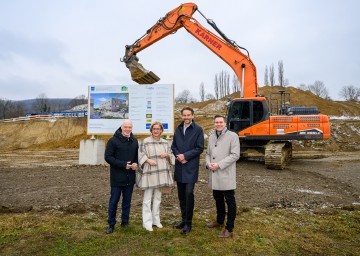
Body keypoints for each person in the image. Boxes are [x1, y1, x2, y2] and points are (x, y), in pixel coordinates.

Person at [205, 115, 240, 238]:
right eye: (216, 122)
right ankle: (219, 221)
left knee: (230, 201)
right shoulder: (212, 136)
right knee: (217, 198)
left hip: (225, 173)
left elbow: (235, 155)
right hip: (214, 174)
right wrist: (208, 163)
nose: (218, 124)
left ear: (225, 123)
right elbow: (208, 153)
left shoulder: (233, 136)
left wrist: (219, 165)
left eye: (221, 122)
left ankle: (229, 228)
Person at [171, 106, 204, 235]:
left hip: (190, 167)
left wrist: (186, 156)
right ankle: (183, 220)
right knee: (181, 196)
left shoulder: (198, 130)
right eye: (184, 115)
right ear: (182, 116)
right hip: (179, 167)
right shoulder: (178, 129)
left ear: (192, 116)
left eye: (188, 115)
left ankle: (189, 223)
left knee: (189, 194)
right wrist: (178, 155)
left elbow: (199, 148)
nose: (186, 117)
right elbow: (173, 146)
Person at [137, 122, 175, 231]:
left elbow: (171, 156)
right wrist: (148, 160)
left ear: (161, 130)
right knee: (147, 199)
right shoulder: (146, 142)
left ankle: (156, 220)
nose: (156, 131)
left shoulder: (165, 143)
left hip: (162, 173)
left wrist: (167, 155)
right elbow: (140, 155)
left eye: (158, 129)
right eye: (154, 129)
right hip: (150, 173)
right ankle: (147, 222)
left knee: (158, 198)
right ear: (151, 130)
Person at [104, 119, 139, 234]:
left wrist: (135, 164)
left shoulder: (134, 141)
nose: (128, 129)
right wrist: (124, 165)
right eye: (126, 127)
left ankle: (125, 222)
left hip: (130, 177)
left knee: (127, 201)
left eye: (130, 127)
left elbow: (136, 157)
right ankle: (111, 224)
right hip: (117, 177)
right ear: (121, 127)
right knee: (114, 201)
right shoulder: (113, 141)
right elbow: (108, 157)